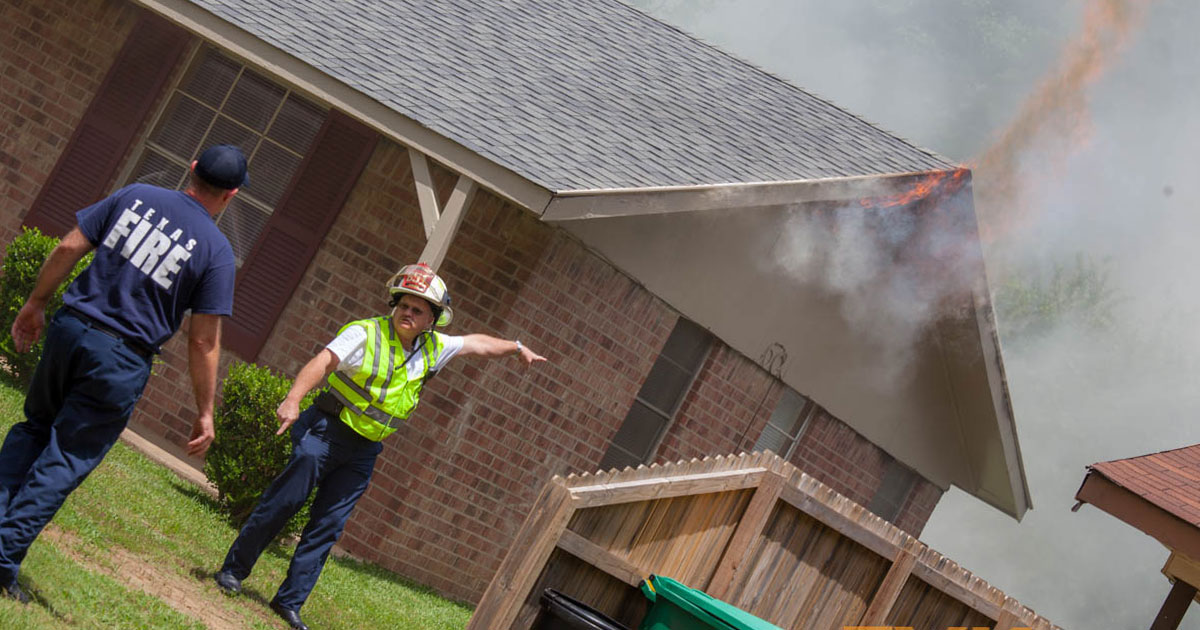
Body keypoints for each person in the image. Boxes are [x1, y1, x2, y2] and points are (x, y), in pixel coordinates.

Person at [214, 262, 546, 630]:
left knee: (328, 526)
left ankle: (289, 602)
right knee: (283, 503)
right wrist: (293, 399)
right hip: (326, 431)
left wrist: (516, 347)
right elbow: (323, 362)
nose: (407, 312)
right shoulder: (365, 333)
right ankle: (233, 571)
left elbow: (477, 344)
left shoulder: (435, 347)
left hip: (364, 451)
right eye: (403, 305)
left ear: (431, 319)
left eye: (417, 309)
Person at [0, 145, 246, 604]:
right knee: (65, 457)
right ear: (231, 195)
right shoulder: (215, 253)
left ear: (191, 170)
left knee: (33, 428)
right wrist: (206, 410)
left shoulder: (135, 195)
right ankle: (2, 556)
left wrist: (35, 303)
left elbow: (69, 246)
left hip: (69, 329)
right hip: (120, 358)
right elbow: (202, 340)